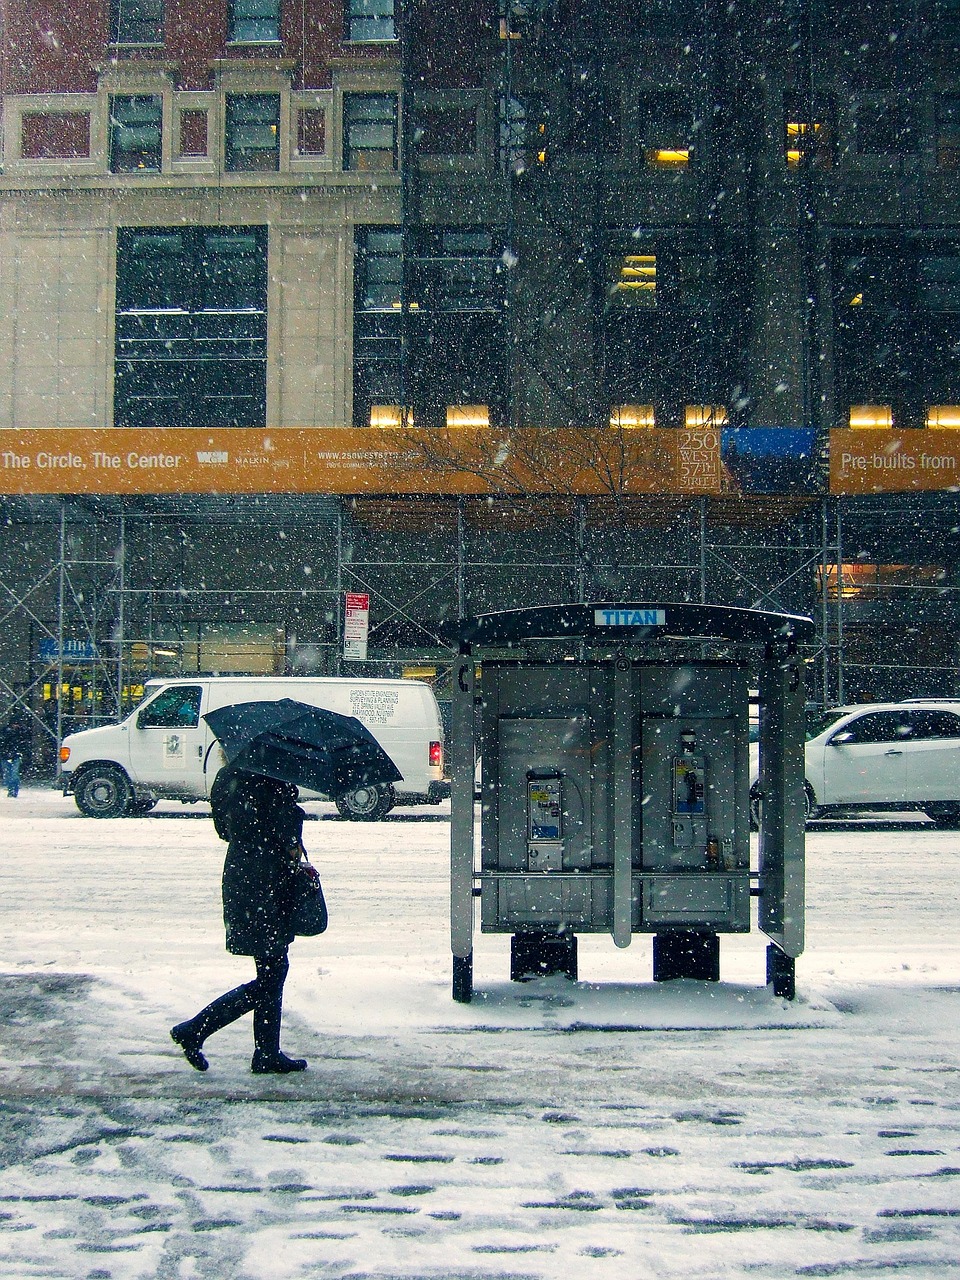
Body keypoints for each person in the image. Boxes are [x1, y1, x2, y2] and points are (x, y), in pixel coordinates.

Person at [171, 768, 309, 1074]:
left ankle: (266, 1052)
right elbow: (286, 832)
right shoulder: (273, 779)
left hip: (241, 873)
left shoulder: (228, 776)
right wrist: (292, 807)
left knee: (271, 966)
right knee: (273, 971)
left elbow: (224, 829)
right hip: (268, 880)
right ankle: (195, 1030)